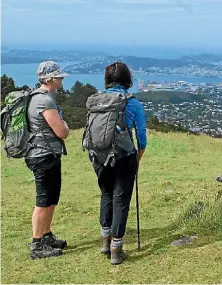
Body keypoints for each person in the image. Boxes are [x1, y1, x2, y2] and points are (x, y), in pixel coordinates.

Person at [88, 61, 147, 265]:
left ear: (107, 80)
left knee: (106, 194)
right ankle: (116, 249)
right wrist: (137, 157)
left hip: (98, 155)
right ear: (127, 79)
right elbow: (141, 137)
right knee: (121, 200)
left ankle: (105, 241)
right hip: (124, 156)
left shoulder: (97, 100)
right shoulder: (132, 103)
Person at [25, 61, 70, 259]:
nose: (61, 81)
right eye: (59, 77)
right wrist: (65, 125)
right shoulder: (44, 101)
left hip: (46, 154)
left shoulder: (38, 97)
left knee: (51, 198)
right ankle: (37, 245)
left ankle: (46, 235)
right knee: (43, 200)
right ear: (50, 79)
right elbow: (61, 131)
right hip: (43, 155)